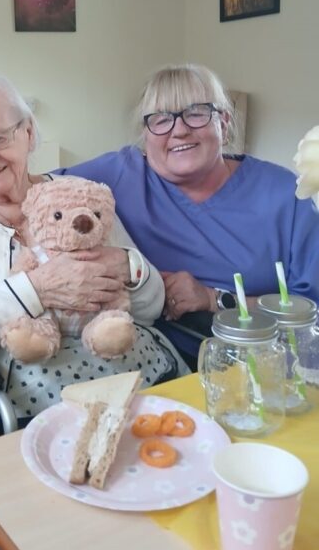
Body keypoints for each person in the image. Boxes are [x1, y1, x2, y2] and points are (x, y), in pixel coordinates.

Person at [0, 74, 189, 432]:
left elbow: (150, 308)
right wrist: (33, 290)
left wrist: (130, 267)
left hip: (135, 375)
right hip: (34, 402)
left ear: (29, 133)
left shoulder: (79, 195)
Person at [56, 63, 319, 365]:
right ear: (146, 133)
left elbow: (309, 311)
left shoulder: (286, 193)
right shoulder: (121, 174)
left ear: (224, 121)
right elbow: (28, 192)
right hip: (162, 363)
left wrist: (212, 299)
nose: (179, 130)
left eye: (196, 112)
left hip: (272, 366)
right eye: (161, 119)